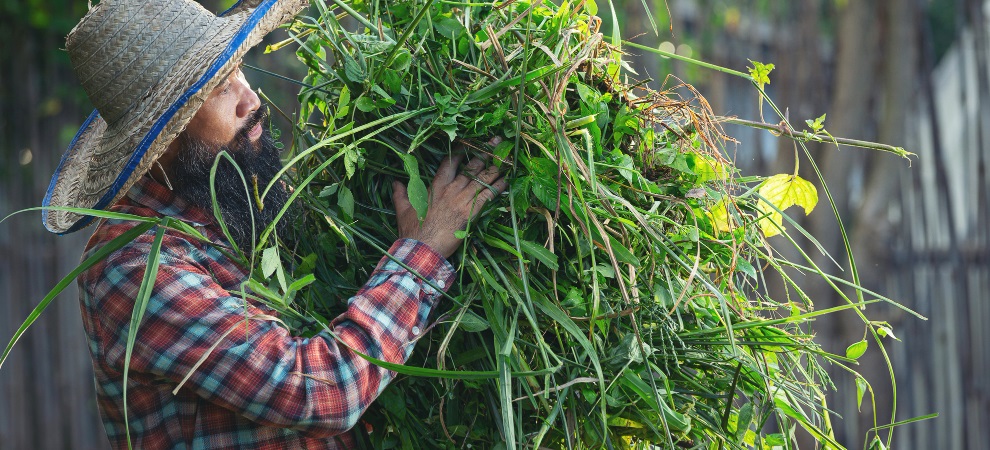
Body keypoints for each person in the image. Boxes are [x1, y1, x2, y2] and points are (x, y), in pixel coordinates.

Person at [43, 0, 507, 448]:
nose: (251, 99)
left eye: (237, 70)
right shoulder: (133, 267)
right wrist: (421, 255)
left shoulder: (230, 199)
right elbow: (320, 392)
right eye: (219, 88)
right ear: (159, 139)